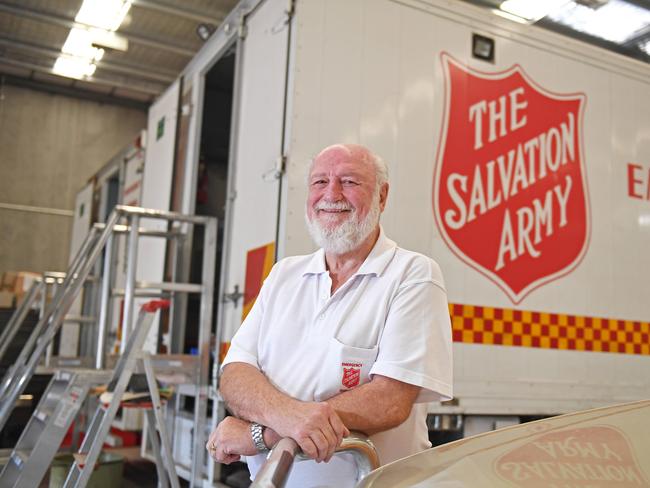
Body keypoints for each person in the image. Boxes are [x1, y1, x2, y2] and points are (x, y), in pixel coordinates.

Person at [206, 143, 453, 487]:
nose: (331, 194)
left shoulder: (412, 274)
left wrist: (263, 435)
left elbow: (389, 401)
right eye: (320, 182)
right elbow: (235, 374)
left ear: (382, 196)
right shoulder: (283, 275)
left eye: (349, 182)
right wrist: (289, 421)